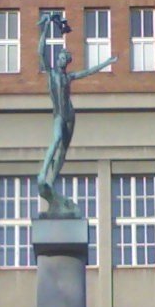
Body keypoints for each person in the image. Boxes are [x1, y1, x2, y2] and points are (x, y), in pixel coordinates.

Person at [36, 11, 116, 214]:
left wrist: (107, 63)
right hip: (59, 115)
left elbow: (88, 72)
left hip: (71, 115)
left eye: (65, 58)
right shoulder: (51, 74)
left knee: (63, 151)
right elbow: (40, 52)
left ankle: (51, 181)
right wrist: (45, 27)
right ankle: (42, 175)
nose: (62, 60)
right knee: (55, 139)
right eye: (61, 57)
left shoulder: (69, 77)